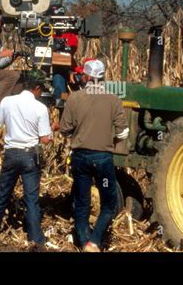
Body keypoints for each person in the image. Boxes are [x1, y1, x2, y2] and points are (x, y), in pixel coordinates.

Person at [0, 69, 59, 248]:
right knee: (31, 199)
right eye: (41, 90)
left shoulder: (7, 101)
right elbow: (45, 140)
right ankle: (36, 239)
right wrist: (52, 128)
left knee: (2, 195)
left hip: (10, 154)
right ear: (37, 88)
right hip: (30, 156)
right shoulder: (40, 108)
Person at [60, 60, 129, 252]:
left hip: (80, 158)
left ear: (86, 77)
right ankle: (95, 240)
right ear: (103, 77)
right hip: (103, 159)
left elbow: (65, 130)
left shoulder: (74, 98)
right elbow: (123, 133)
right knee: (109, 203)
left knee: (82, 202)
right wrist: (108, 140)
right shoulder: (114, 99)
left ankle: (83, 241)